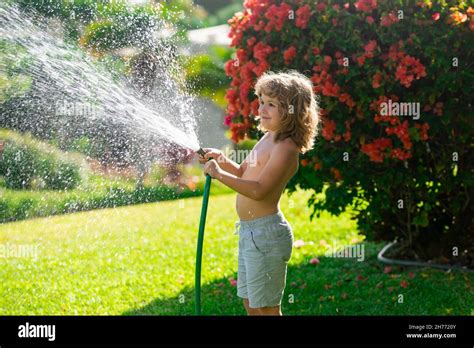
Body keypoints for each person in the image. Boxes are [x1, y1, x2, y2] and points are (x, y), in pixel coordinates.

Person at [199, 71, 320, 315]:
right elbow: (244, 173)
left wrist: (219, 175)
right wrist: (221, 161)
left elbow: (258, 190)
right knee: (251, 303)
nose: (262, 109)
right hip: (250, 232)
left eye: (271, 104)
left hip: (266, 235)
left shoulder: (286, 148)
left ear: (292, 110)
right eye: (262, 102)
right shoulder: (267, 138)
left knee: (266, 307)